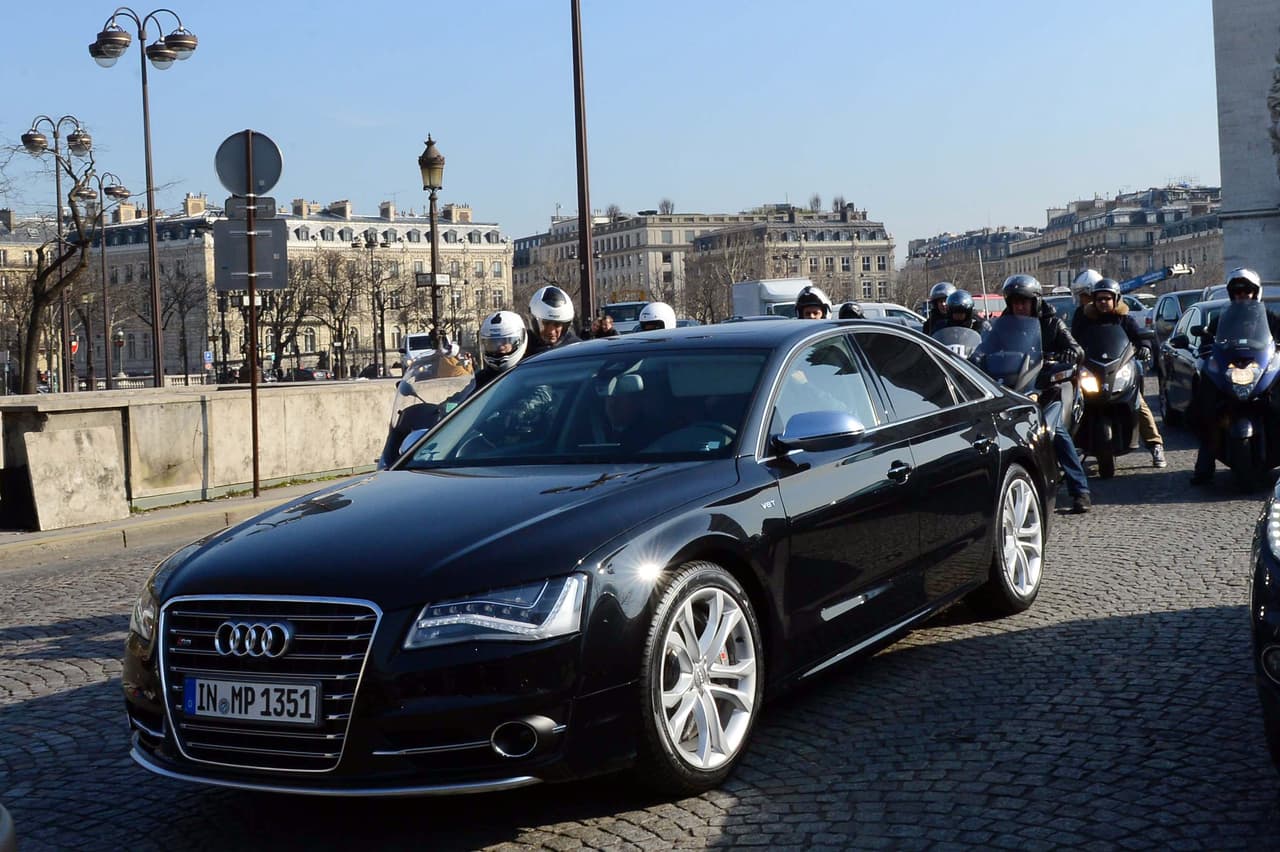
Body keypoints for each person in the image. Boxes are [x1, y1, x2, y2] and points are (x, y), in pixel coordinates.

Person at [1002, 273, 1092, 513]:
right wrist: (980, 356)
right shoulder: (1004, 324)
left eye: (1024, 301)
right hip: (1015, 387)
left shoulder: (1052, 322)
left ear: (1035, 301)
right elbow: (989, 345)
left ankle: (1080, 490)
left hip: (1046, 389)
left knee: (1055, 431)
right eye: (1015, 302)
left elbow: (1077, 349)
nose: (1020, 307)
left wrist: (1069, 353)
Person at [1190, 267, 1280, 485]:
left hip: (1261, 370)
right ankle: (1204, 464)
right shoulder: (1222, 319)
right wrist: (1205, 349)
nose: (1242, 296)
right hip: (1231, 372)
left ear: (1255, 292)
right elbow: (1207, 342)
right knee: (1207, 410)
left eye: (1246, 291)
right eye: (1237, 292)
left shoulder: (1269, 318)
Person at [1073, 278, 1166, 468]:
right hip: (1092, 370)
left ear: (1116, 299)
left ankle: (1155, 445)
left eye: (1107, 298)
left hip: (1119, 370)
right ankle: (1075, 444)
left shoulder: (1124, 319)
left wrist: (1145, 347)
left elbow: (1139, 336)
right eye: (1099, 299)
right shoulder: (1084, 318)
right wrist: (1070, 352)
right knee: (1073, 401)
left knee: (1138, 402)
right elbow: (1073, 339)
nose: (1103, 302)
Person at [526, 285, 581, 357]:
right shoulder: (524, 346)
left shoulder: (577, 349)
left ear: (565, 326)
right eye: (546, 323)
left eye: (557, 324)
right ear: (534, 324)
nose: (551, 331)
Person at [1069, 268, 1103, 337]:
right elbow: (1075, 337)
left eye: (1083, 295)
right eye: (1079, 295)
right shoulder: (1080, 313)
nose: (1080, 299)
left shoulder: (1109, 313)